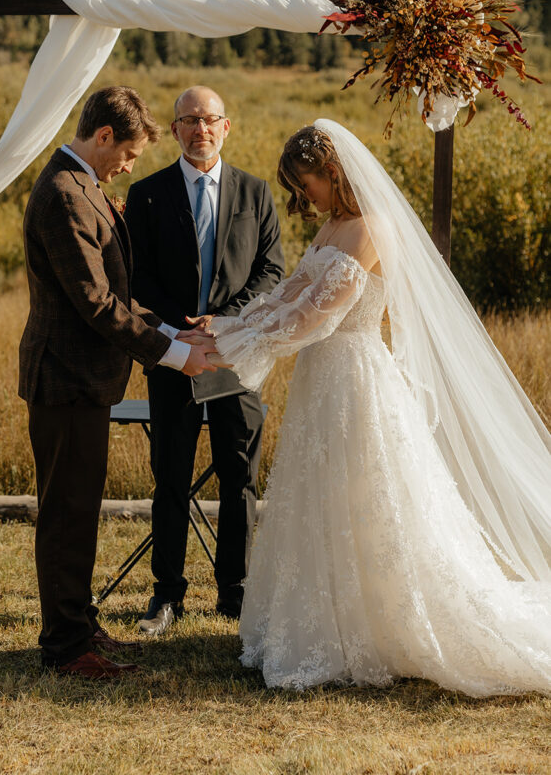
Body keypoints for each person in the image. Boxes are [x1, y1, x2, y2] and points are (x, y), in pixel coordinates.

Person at [209, 119, 551, 696]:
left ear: (334, 173)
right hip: (322, 378)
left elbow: (318, 316)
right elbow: (288, 296)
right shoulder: (330, 227)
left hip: (357, 378)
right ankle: (330, 619)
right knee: (322, 495)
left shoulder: (371, 228)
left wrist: (233, 343)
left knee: (372, 497)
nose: (303, 196)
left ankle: (385, 622)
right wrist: (224, 327)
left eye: (307, 183)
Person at [18, 85, 216, 680]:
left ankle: (78, 625)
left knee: (79, 508)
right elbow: (98, 305)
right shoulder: (63, 195)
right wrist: (176, 357)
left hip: (85, 380)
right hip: (66, 379)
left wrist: (176, 336)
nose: (129, 167)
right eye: (126, 154)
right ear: (103, 136)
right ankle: (66, 647)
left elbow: (121, 299)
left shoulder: (82, 187)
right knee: (67, 513)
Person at [125, 85, 285, 633]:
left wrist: (227, 323)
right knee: (170, 475)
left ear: (226, 126)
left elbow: (270, 273)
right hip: (173, 356)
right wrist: (178, 333)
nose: (200, 129)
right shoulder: (145, 195)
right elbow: (137, 277)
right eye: (189, 120)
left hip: (237, 359)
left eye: (210, 120)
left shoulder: (256, 193)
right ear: (173, 130)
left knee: (239, 476)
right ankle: (167, 595)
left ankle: (234, 593)